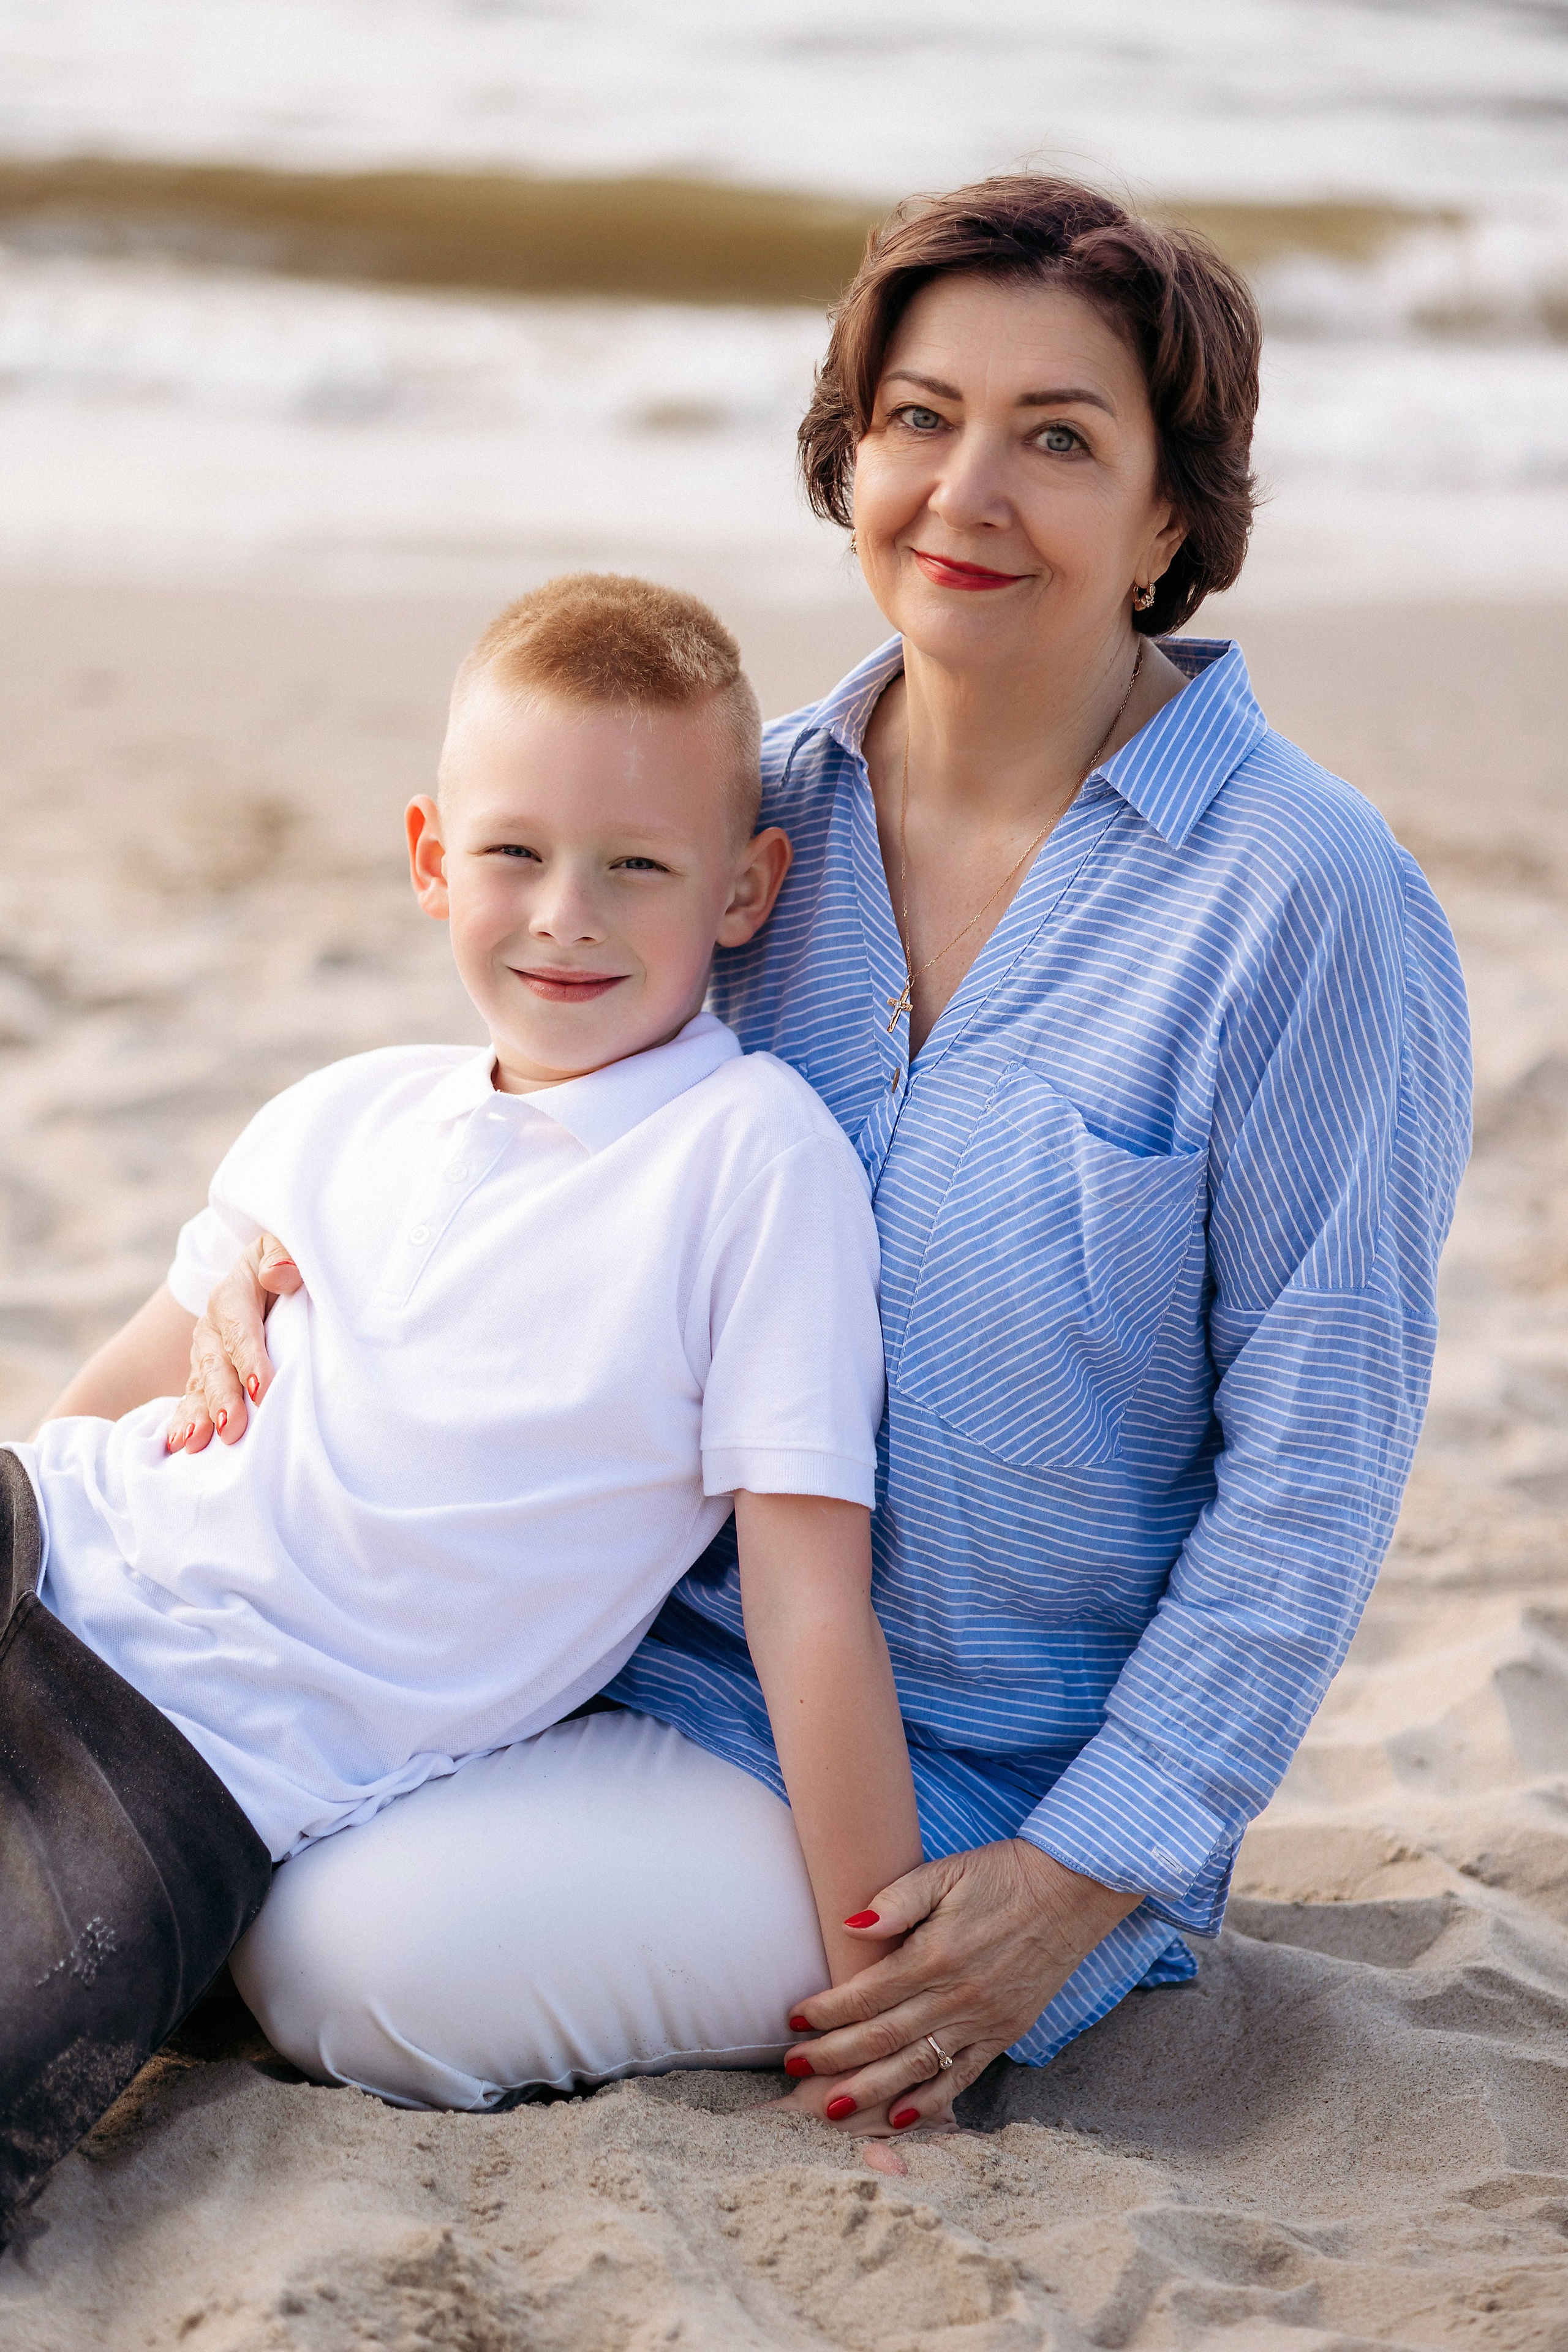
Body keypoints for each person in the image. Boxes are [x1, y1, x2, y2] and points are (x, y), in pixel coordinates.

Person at [70, 176, 1473, 2133]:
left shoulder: (1306, 903)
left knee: (345, 1967)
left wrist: (1081, 1878)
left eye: (1057, 438)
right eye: (919, 418)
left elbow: (1319, 1466)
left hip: (988, 1778)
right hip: (580, 1658)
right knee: (190, 1815)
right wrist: (236, 1254)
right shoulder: (743, 817)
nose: (966, 494)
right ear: (850, 451)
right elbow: (516, 1107)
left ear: (1174, 515)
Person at [0, 574, 922, 2235]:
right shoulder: (343, 1114)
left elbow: (806, 1597)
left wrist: (882, 1995)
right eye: (514, 854)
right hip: (50, 1549)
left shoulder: (750, 1162)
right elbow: (102, 1406)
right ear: (433, 861)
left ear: (744, 890)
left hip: (193, 1758)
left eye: (636, 864)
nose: (566, 911)